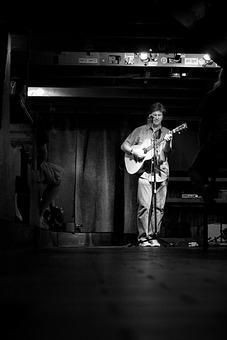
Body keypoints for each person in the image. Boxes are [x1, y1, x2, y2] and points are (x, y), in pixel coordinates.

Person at [121, 102, 173, 247]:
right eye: (154, 115)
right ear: (150, 116)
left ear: (163, 116)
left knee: (159, 207)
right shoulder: (140, 131)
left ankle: (153, 236)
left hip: (161, 172)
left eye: (159, 115)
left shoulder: (167, 132)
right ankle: (143, 238)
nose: (157, 117)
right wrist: (133, 151)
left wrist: (167, 143)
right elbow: (124, 145)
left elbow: (165, 154)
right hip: (145, 173)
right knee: (144, 205)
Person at [189, 64, 227, 207]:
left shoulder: (214, 95)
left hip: (216, 142)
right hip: (217, 141)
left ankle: (205, 190)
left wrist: (203, 142)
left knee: (195, 171)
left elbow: (202, 116)